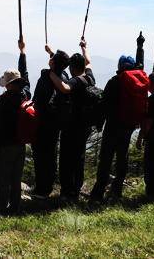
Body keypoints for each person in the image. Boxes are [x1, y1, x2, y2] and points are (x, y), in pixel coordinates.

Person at [89, 54, 140, 203]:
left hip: (113, 126)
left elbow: (104, 104)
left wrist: (98, 123)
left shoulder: (114, 81)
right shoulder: (136, 81)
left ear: (119, 66)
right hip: (129, 126)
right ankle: (117, 191)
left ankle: (98, 193)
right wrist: (140, 47)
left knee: (106, 159)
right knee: (122, 158)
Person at [50, 40, 93, 202]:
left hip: (72, 126)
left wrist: (51, 73)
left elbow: (65, 88)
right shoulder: (89, 77)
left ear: (72, 68)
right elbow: (89, 61)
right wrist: (84, 48)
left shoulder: (75, 81)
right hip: (85, 126)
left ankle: (67, 192)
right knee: (79, 158)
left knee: (67, 159)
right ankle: (76, 188)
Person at [0, 40, 30, 214]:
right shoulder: (25, 96)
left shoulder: (2, 100)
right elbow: (27, 78)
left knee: (2, 179)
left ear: (7, 84)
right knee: (16, 178)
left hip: (5, 145)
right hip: (20, 143)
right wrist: (23, 53)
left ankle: (0, 208)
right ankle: (15, 206)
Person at [31, 45, 70, 199]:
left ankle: (41, 189)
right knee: (51, 153)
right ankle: (48, 186)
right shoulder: (64, 76)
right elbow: (60, 63)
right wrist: (51, 52)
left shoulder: (46, 76)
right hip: (56, 123)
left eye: (52, 59)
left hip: (43, 122)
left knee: (40, 155)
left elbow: (39, 100)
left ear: (53, 63)